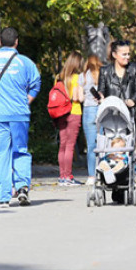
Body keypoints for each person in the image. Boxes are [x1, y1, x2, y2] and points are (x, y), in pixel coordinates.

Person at [0, 27, 41, 207]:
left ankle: (4, 196)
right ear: (16, 42)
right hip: (20, 114)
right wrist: (26, 101)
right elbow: (36, 83)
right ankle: (22, 188)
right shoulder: (25, 62)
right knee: (20, 150)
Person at [97, 39, 136, 135]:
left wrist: (133, 100)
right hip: (111, 116)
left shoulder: (135, 68)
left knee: (128, 146)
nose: (127, 57)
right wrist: (100, 97)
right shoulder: (104, 71)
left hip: (131, 114)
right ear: (114, 55)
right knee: (112, 146)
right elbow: (101, 90)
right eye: (124, 54)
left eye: (128, 54)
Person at [54, 52, 84, 185]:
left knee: (63, 145)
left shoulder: (59, 78)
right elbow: (78, 98)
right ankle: (68, 176)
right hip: (74, 111)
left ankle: (61, 176)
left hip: (61, 113)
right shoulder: (78, 78)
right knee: (70, 146)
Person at [80, 54, 103, 185]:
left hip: (88, 110)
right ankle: (104, 171)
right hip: (102, 109)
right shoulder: (103, 74)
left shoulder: (82, 76)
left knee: (91, 145)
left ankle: (91, 176)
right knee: (103, 142)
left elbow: (80, 97)